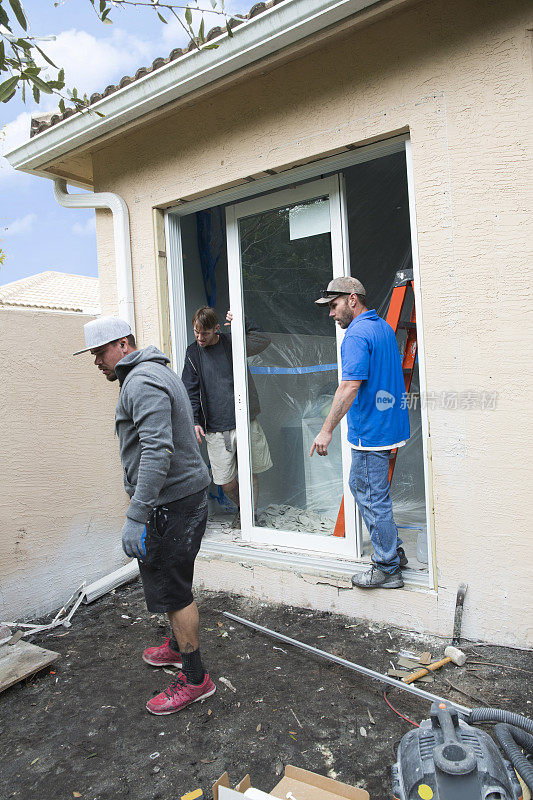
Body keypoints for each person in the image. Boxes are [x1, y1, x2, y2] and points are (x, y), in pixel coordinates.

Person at [74, 315, 216, 714]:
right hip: (180, 499)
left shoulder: (142, 381)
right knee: (174, 580)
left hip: (171, 504)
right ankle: (176, 647)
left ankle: (195, 678)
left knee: (173, 590)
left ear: (123, 344)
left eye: (100, 352)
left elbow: (157, 450)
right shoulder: (156, 372)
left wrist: (137, 514)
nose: (97, 361)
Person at [310, 277, 410, 589]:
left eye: (334, 305)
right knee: (364, 488)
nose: (331, 313)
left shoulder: (355, 335)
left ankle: (387, 566)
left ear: (352, 299)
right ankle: (392, 549)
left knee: (369, 493)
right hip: (389, 424)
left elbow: (350, 386)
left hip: (371, 431)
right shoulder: (380, 326)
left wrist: (325, 430)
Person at [182, 306, 272, 524]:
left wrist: (243, 320)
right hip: (215, 427)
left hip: (244, 420)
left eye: (205, 333)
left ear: (217, 329)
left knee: (251, 472)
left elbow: (263, 340)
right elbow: (190, 390)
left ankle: (249, 516)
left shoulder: (232, 342)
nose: (200, 337)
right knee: (225, 482)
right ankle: (244, 507)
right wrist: (194, 421)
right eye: (196, 332)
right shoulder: (193, 353)